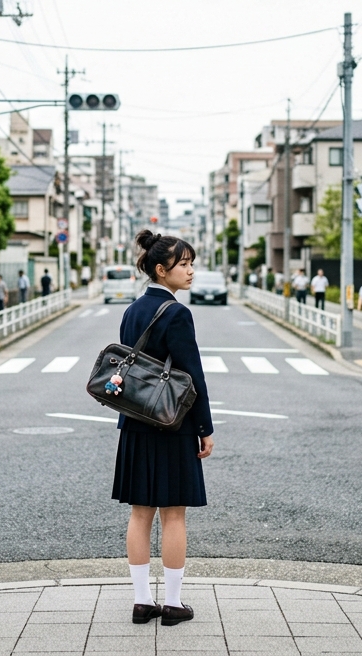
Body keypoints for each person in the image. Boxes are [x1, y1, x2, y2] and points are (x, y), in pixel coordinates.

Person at [115, 229, 214, 628]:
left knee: (141, 514)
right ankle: (172, 603)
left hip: (136, 423)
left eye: (191, 264)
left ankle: (142, 601)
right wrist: (204, 426)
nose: (191, 271)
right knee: (174, 515)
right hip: (172, 424)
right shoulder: (177, 313)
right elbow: (192, 376)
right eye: (184, 264)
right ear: (162, 269)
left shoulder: (132, 310)